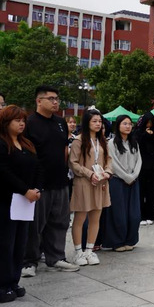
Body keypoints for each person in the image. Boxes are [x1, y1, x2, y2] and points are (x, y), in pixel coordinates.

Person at [0, 105, 39, 305]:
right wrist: (25, 190)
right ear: (6, 123)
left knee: (18, 244)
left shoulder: (26, 143)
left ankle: (12, 281)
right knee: (2, 245)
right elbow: (4, 174)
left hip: (24, 202)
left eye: (23, 120)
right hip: (4, 202)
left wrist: (35, 189)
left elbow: (35, 167)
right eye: (17, 120)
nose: (22, 123)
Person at [21, 86, 79, 278]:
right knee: (35, 225)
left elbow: (63, 149)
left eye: (57, 99)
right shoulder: (29, 123)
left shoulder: (60, 122)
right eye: (51, 98)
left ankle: (56, 257)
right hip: (39, 183)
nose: (56, 102)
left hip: (60, 180)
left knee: (60, 221)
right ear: (39, 101)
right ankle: (29, 261)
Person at [69, 109, 112, 266]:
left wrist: (107, 172)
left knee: (95, 217)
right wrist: (89, 173)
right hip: (83, 182)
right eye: (94, 121)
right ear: (87, 123)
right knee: (80, 218)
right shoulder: (79, 140)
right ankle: (78, 251)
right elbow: (73, 163)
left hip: (100, 182)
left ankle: (89, 250)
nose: (98, 124)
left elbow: (109, 159)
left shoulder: (102, 140)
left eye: (100, 121)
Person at [105, 115, 142, 252]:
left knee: (134, 213)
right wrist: (126, 177)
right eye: (124, 123)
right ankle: (117, 241)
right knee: (118, 213)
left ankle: (130, 240)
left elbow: (139, 161)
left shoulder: (134, 142)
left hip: (133, 181)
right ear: (118, 125)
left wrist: (134, 175)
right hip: (117, 181)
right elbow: (112, 163)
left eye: (130, 124)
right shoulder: (112, 143)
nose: (128, 126)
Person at [135, 111, 154, 226]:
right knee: (141, 191)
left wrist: (153, 135)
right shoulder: (138, 132)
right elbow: (137, 143)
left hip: (153, 166)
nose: (149, 125)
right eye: (147, 122)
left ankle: (151, 214)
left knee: (152, 191)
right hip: (141, 166)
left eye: (151, 122)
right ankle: (141, 215)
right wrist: (145, 135)